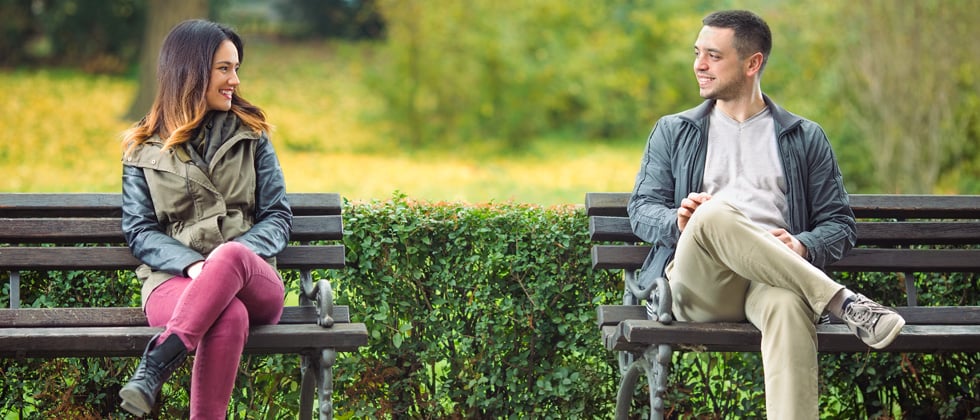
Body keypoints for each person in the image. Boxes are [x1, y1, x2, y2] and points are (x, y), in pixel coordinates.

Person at [627, 10, 905, 419]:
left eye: (713, 56)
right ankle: (842, 302)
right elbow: (641, 210)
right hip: (703, 284)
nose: (699, 66)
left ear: (752, 63)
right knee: (711, 213)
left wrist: (802, 244)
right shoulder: (675, 130)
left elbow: (840, 224)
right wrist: (678, 220)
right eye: (697, 53)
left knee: (791, 308)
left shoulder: (803, 137)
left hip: (771, 280)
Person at [118, 19, 291, 418]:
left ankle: (156, 365)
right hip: (173, 283)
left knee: (228, 256)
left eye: (236, 68)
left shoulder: (253, 135)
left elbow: (277, 218)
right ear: (191, 72)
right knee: (227, 314)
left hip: (252, 275)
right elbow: (140, 231)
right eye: (224, 69)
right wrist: (193, 265)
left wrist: (223, 261)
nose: (235, 80)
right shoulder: (142, 147)